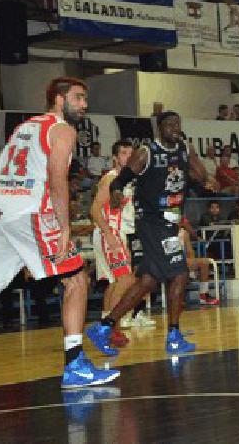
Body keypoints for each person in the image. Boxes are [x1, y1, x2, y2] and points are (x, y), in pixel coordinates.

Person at [0, 77, 119, 388]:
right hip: (27, 210)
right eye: (78, 98)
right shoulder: (62, 129)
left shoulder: (24, 127)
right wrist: (64, 227)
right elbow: (56, 179)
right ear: (59, 99)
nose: (84, 105)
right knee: (77, 279)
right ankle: (75, 364)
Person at [86, 111, 208, 357]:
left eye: (178, 124)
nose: (174, 127)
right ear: (159, 129)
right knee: (181, 273)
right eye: (169, 124)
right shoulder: (147, 152)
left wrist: (191, 155)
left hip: (169, 221)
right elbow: (120, 181)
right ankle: (173, 335)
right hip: (152, 222)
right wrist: (117, 194)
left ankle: (104, 327)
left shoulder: (184, 148)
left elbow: (202, 177)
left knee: (148, 281)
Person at [90, 139, 137, 348]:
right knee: (126, 280)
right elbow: (94, 210)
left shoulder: (128, 180)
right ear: (115, 158)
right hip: (110, 231)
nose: (128, 156)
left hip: (117, 232)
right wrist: (109, 235)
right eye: (124, 153)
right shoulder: (110, 179)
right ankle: (109, 327)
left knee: (114, 282)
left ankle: (106, 326)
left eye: (131, 153)